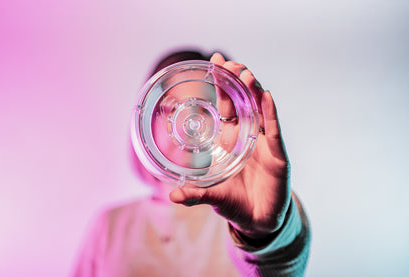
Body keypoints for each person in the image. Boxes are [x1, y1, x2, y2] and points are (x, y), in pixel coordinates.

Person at [73, 50, 311, 277]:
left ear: (231, 122)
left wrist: (263, 235)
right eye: (172, 107)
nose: (191, 122)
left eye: (208, 109)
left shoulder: (243, 216)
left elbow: (281, 265)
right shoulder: (110, 225)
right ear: (146, 117)